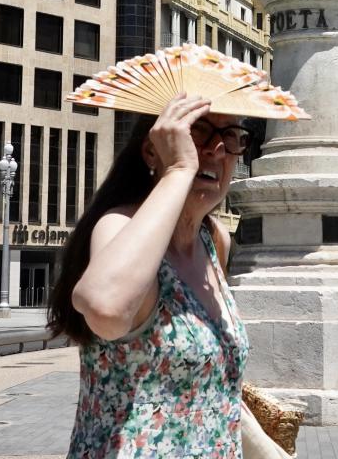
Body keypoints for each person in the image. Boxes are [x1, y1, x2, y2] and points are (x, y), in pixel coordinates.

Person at [48, 94, 251, 457]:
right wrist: (178, 170)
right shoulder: (117, 225)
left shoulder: (215, 240)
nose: (217, 148)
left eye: (231, 136)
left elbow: (214, 393)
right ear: (152, 151)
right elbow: (106, 307)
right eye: (198, 131)